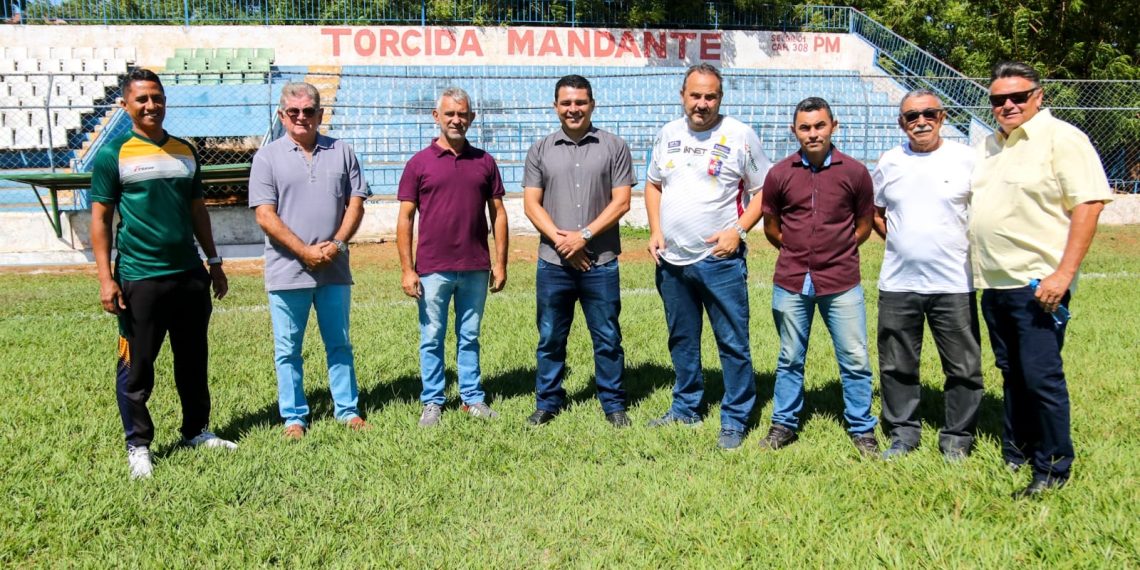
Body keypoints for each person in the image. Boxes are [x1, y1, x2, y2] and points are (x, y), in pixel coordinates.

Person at [970, 61, 1114, 498]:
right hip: (994, 284)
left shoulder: (1063, 139)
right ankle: (1017, 451)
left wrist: (1064, 274)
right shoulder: (990, 145)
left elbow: (1088, 204)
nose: (1008, 105)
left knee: (1041, 376)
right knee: (1012, 373)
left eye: (1017, 96)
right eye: (998, 99)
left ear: (1038, 95)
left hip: (1038, 286)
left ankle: (1052, 467)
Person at [89, 68, 236, 480]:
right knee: (136, 366)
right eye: (141, 99)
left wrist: (214, 261)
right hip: (140, 277)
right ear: (126, 105)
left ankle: (196, 431)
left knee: (193, 359)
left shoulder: (185, 150)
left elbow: (197, 210)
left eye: (157, 97)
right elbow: (100, 219)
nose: (151, 105)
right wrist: (106, 278)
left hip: (189, 275)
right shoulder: (113, 153)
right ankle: (138, 444)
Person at [644, 63, 772, 450]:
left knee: (732, 342)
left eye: (710, 96)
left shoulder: (739, 135)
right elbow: (653, 184)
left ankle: (735, 417)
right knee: (682, 339)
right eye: (695, 95)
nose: (702, 104)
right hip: (673, 261)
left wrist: (739, 230)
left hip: (719, 260)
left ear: (721, 98)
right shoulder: (667, 133)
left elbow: (764, 190)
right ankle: (686, 408)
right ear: (682, 95)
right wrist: (655, 230)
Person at [248, 82, 371, 440]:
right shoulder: (267, 157)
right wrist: (303, 251)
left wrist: (335, 243)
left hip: (334, 268)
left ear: (320, 113)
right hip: (287, 271)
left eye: (309, 111)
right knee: (288, 350)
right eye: (294, 111)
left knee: (340, 344)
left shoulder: (342, 151)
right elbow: (265, 215)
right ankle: (294, 417)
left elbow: (356, 202)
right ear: (282, 115)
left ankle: (347, 410)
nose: (302, 117)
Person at [759, 97, 879, 457]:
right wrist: (801, 252)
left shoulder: (854, 172)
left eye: (820, 126)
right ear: (794, 131)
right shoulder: (779, 174)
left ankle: (862, 429)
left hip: (841, 281)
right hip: (792, 280)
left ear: (834, 126)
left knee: (855, 357)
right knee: (790, 357)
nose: (813, 133)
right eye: (805, 127)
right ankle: (784, 425)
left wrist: (834, 252)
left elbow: (863, 225)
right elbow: (771, 227)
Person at [872, 89, 984, 461]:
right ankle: (903, 433)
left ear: (943, 116)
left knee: (964, 366)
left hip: (953, 282)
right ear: (901, 123)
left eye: (929, 114)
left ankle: (957, 437)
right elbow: (877, 212)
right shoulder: (889, 162)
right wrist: (906, 242)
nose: (920, 121)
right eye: (911, 116)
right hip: (899, 283)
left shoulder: (968, 159)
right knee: (896, 364)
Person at [522, 74, 634, 428]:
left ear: (592, 105)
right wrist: (563, 241)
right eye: (567, 103)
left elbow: (622, 202)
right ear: (555, 106)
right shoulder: (540, 149)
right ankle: (548, 401)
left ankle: (613, 404)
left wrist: (582, 236)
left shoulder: (614, 146)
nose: (574, 109)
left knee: (607, 337)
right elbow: (531, 204)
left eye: (580, 102)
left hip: (600, 263)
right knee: (551, 336)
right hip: (554, 263)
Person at [397, 87, 509, 427]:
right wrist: (406, 268)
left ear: (472, 118)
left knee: (470, 335)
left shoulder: (485, 162)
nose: (456, 120)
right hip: (432, 269)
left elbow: (499, 213)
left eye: (462, 114)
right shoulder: (419, 163)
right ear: (437, 117)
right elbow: (405, 218)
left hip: (475, 267)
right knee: (431, 336)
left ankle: (472, 398)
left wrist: (500, 262)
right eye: (449, 114)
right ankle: (432, 401)